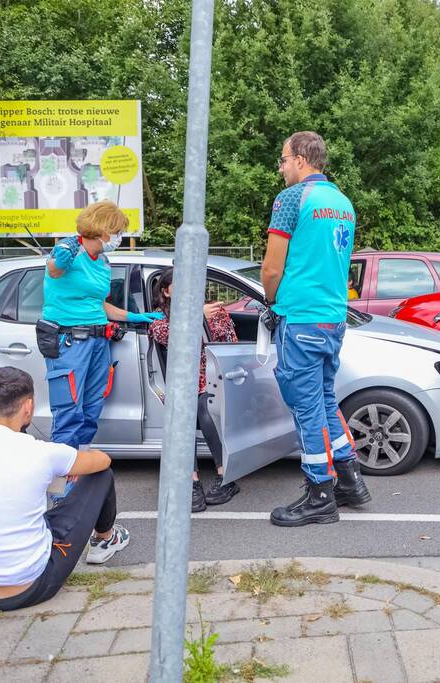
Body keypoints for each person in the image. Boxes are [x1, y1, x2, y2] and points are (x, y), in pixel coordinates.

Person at [0, 368, 129, 614]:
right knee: (100, 475)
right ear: (28, 406)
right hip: (26, 588)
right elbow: (103, 461)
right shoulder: (42, 452)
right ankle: (106, 539)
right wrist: (68, 467)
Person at [261, 131, 371, 526]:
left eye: (283, 160)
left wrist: (271, 301)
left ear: (300, 160)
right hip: (332, 318)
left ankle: (320, 494)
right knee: (324, 402)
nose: (281, 168)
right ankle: (350, 480)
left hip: (300, 316)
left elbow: (271, 269)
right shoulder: (342, 201)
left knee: (307, 410)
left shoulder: (291, 198)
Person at [42, 200, 163, 450]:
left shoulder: (102, 261)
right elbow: (54, 271)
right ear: (102, 229)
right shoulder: (68, 249)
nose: (119, 237)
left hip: (99, 340)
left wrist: (135, 317)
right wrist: (60, 261)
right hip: (70, 341)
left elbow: (99, 304)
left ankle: (82, 462)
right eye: (117, 231)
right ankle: (64, 472)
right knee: (69, 410)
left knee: (92, 407)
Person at [149, 268, 241, 512]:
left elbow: (230, 344)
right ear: (166, 292)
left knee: (204, 408)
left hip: (211, 379)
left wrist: (204, 317)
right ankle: (192, 483)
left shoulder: (215, 312)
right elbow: (165, 335)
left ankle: (225, 477)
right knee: (183, 412)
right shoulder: (160, 319)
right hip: (183, 384)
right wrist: (196, 316)